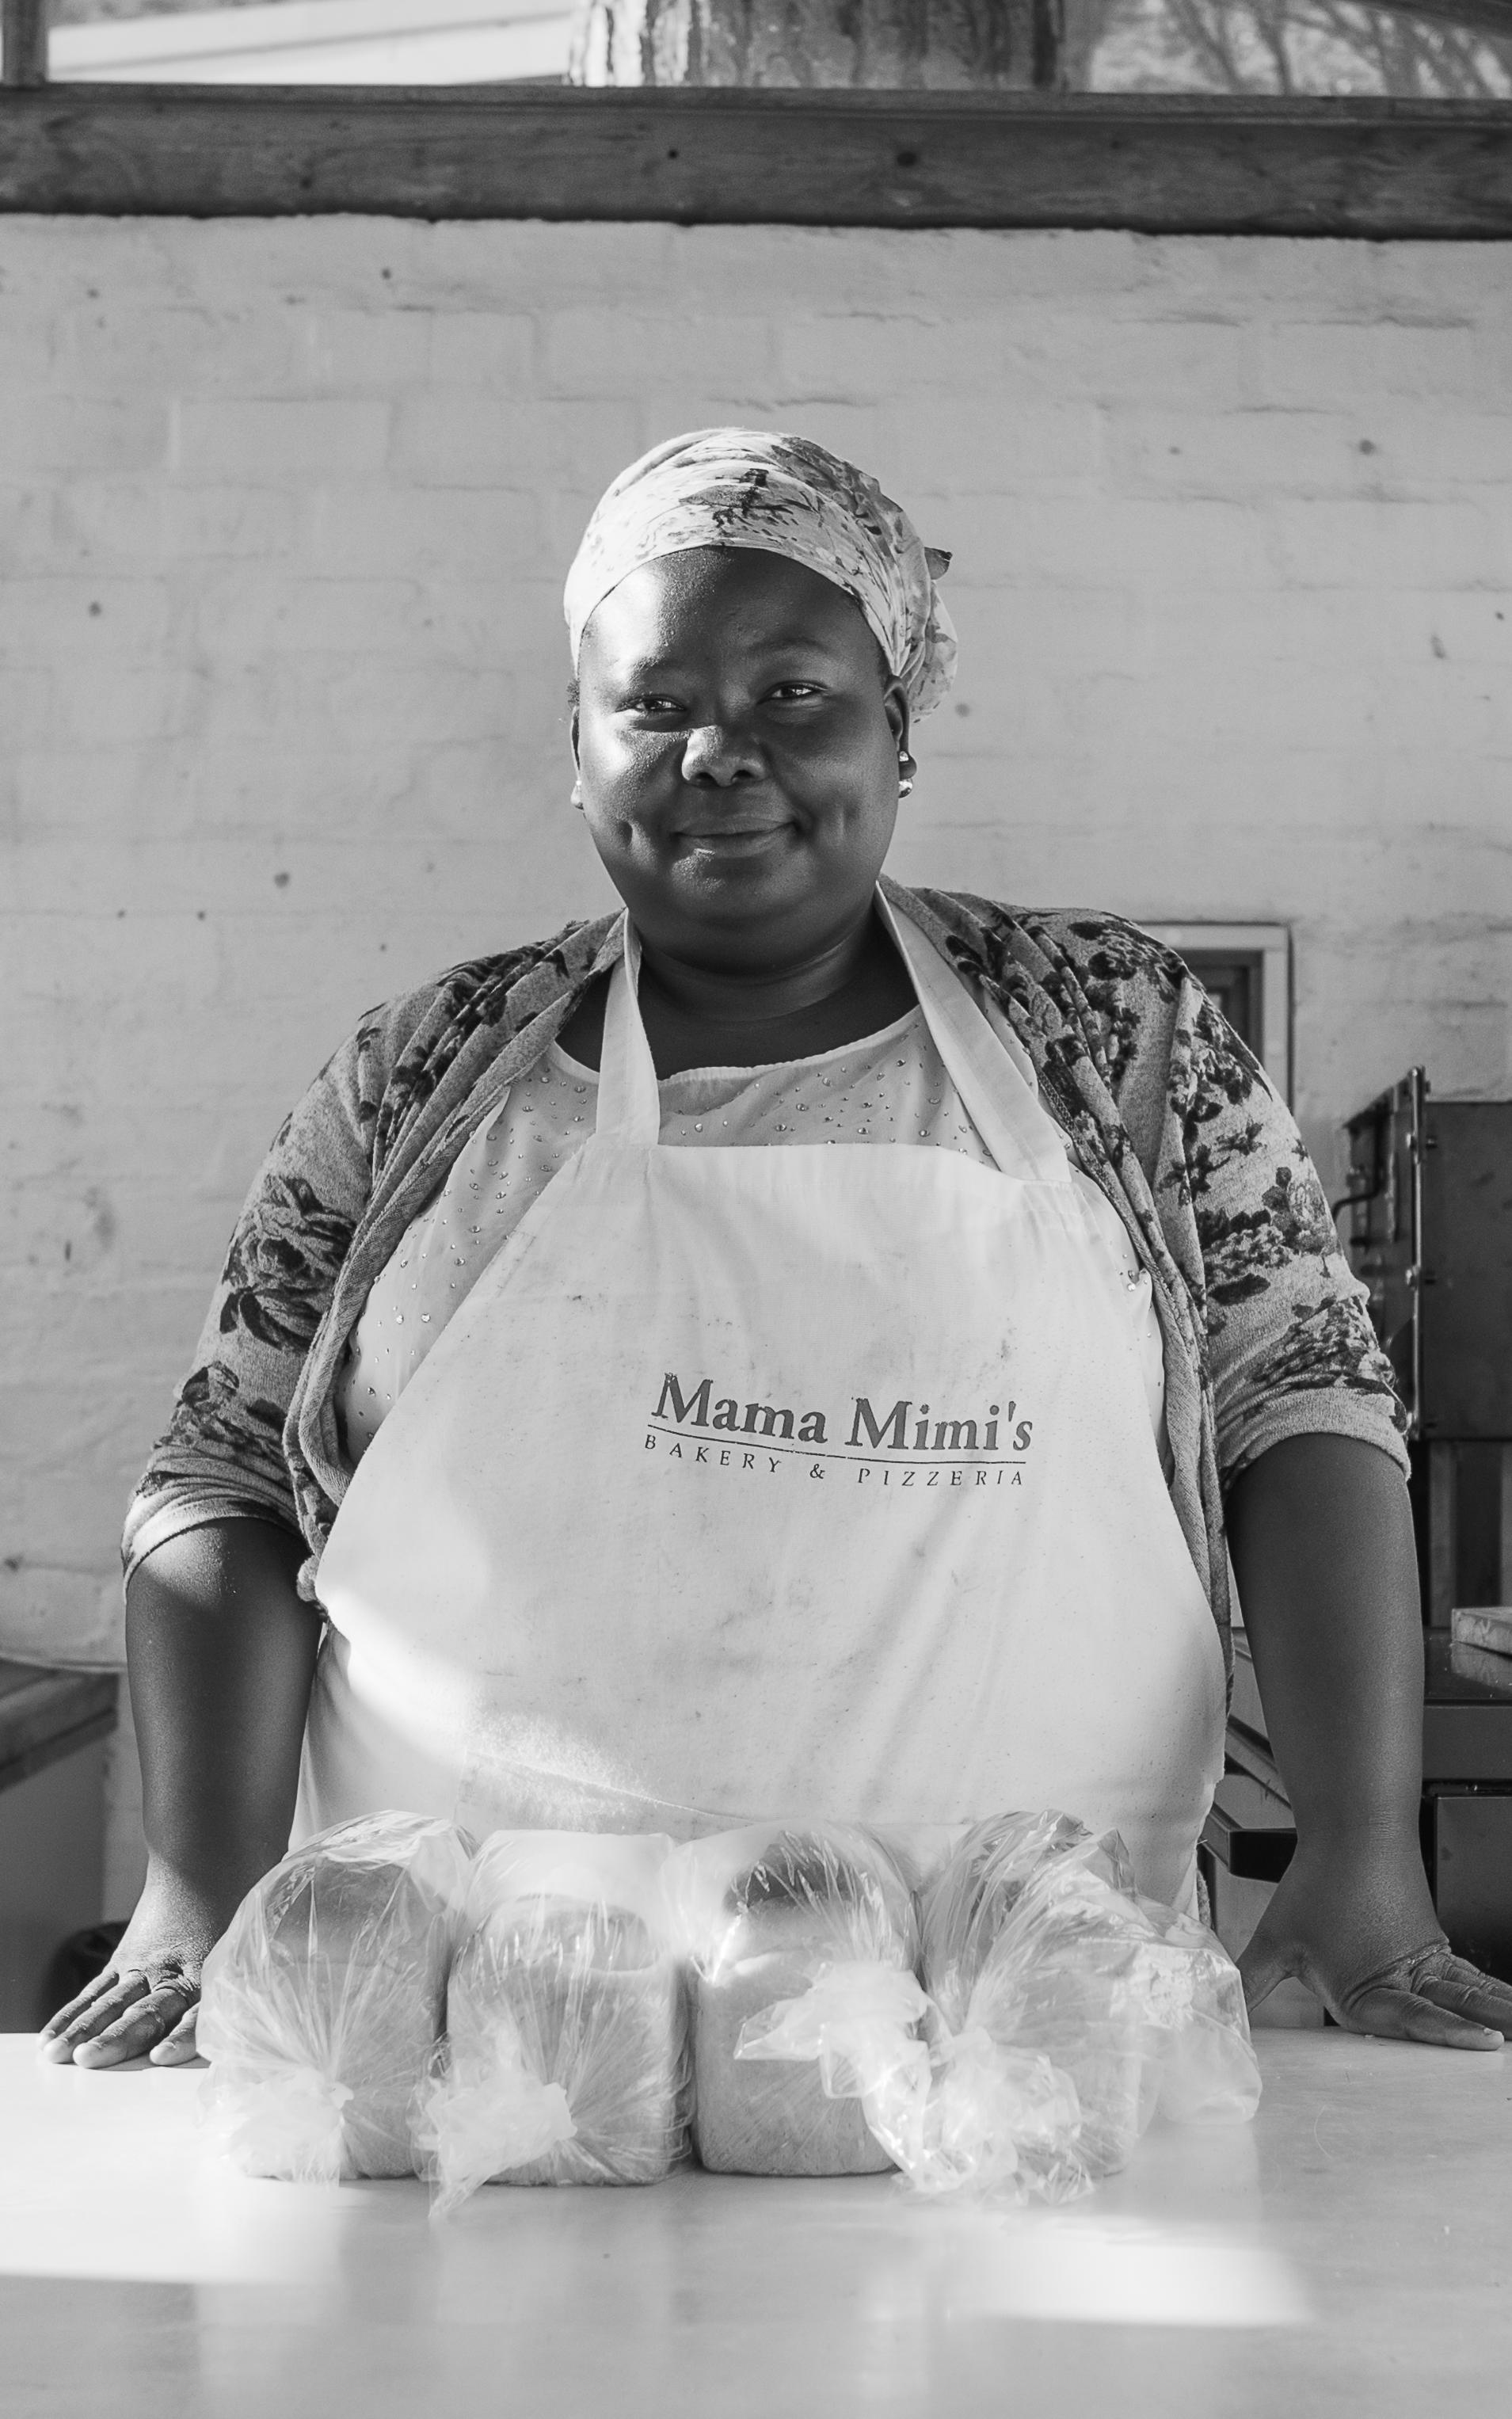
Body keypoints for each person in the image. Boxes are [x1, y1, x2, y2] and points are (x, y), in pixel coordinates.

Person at [43, 428, 1512, 2070]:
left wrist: (1364, 1847)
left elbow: (1301, 1411)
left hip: (1023, 2018)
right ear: (576, 749)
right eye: (653, 707)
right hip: (479, 2030)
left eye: (795, 697)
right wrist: (200, 1884)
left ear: (901, 733)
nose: (720, 755)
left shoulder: (1118, 1035)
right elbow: (223, 1477)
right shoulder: (426, 1072)